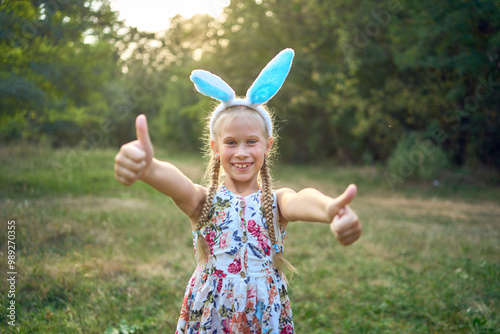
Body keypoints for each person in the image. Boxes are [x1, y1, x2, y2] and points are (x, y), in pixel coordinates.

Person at [114, 49, 361, 333]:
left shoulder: (275, 201)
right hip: (212, 313)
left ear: (268, 146)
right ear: (215, 148)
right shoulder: (204, 201)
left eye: (251, 142)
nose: (241, 152)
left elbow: (301, 199)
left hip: (263, 314)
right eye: (231, 142)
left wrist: (330, 209)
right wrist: (148, 168)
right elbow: (177, 183)